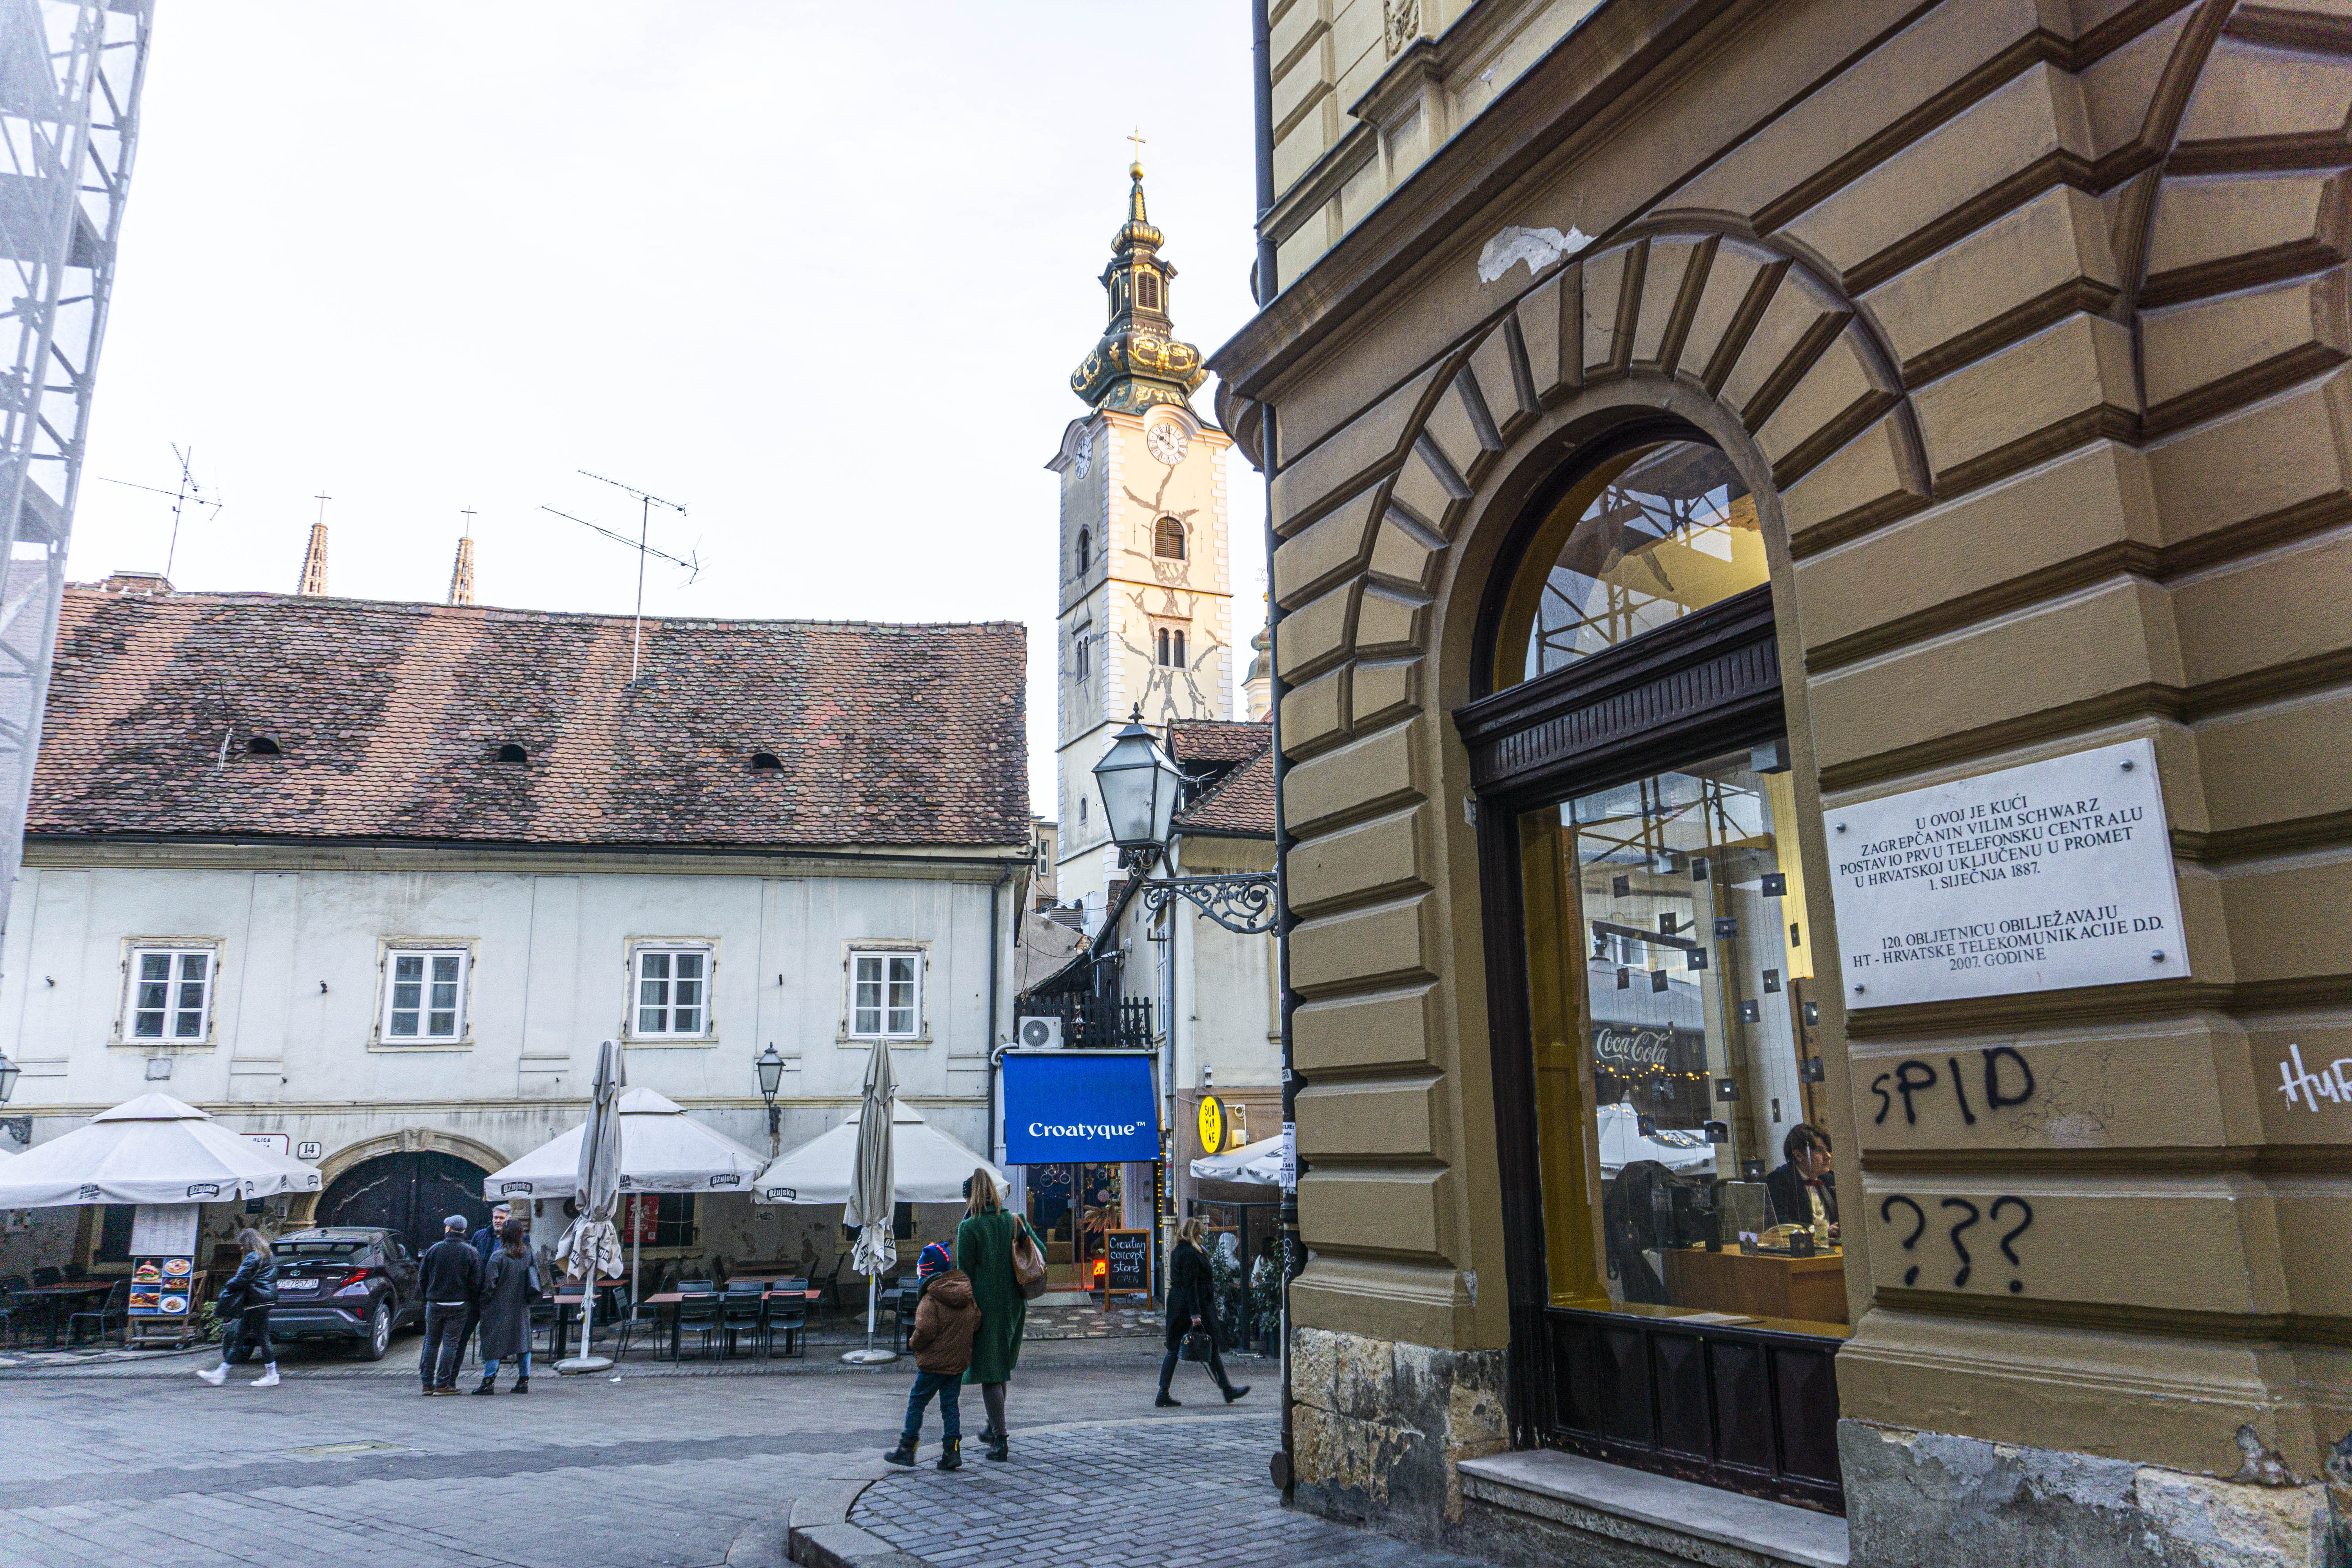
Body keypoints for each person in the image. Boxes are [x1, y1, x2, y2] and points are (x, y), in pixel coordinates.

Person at [955, 1167, 1033, 1462]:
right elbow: (1037, 1252)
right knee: (999, 1368)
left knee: (990, 1374)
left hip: (984, 1308)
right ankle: (993, 1426)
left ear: (971, 1197)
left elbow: (965, 1275)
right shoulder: (1014, 1221)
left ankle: (1000, 1441)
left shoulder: (969, 1228)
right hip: (1014, 1305)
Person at [885, 1241, 978, 1471]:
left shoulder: (931, 1299)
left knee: (917, 1402)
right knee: (950, 1406)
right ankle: (952, 1452)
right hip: (957, 1363)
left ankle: (907, 1449)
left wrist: (913, 1343)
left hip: (933, 1364)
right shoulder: (966, 1294)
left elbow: (925, 1330)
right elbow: (976, 1321)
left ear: (926, 1272)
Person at [1158, 1217, 1249, 1408]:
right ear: (1193, 1234)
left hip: (1181, 1304)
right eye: (1199, 1234)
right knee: (1188, 1348)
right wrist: (1195, 1314)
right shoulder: (1190, 1254)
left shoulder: (1180, 1251)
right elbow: (1190, 1284)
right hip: (1189, 1307)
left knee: (1183, 1348)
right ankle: (1226, 1390)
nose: (1202, 1237)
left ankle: (1164, 1392)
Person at [197, 1229, 279, 1388]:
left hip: (255, 1301)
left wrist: (227, 1286)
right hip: (262, 1300)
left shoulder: (253, 1257)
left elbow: (241, 1279)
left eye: (242, 1244)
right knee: (240, 1336)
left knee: (261, 1338)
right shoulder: (268, 1255)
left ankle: (272, 1375)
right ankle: (221, 1373)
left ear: (248, 1243)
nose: (241, 1248)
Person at [417, 1213, 483, 1395]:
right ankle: (443, 1384)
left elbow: (422, 1278)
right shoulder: (471, 1252)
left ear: (448, 1229)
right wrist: (470, 1300)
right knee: (451, 1344)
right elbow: (476, 1282)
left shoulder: (434, 1250)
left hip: (435, 1302)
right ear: (464, 1231)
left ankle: (427, 1384)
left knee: (431, 1343)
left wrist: (429, 1295)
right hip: (459, 1304)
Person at [473, 1218, 539, 1395]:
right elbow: (535, 1277)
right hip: (522, 1306)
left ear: (504, 1235)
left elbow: (490, 1285)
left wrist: (483, 1303)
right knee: (523, 1343)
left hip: (498, 1307)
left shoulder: (498, 1256)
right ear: (521, 1235)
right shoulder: (529, 1254)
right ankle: (524, 1381)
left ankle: (488, 1382)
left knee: (493, 1343)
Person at [1764, 1123, 1839, 1240]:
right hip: (1801, 1246)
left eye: (1827, 1150)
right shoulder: (1779, 1179)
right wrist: (1820, 1231)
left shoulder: (1829, 1179)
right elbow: (1780, 1222)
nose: (1828, 1156)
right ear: (1799, 1156)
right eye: (1820, 1151)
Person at [456, 1203, 508, 1366]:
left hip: (499, 1293)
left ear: (509, 1219)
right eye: (495, 1218)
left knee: (494, 1332)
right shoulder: (480, 1236)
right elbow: (470, 1261)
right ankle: (455, 1366)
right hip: (477, 1293)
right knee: (465, 1330)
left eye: (501, 1218)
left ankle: (492, 1364)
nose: (498, 1221)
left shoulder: (516, 1238)